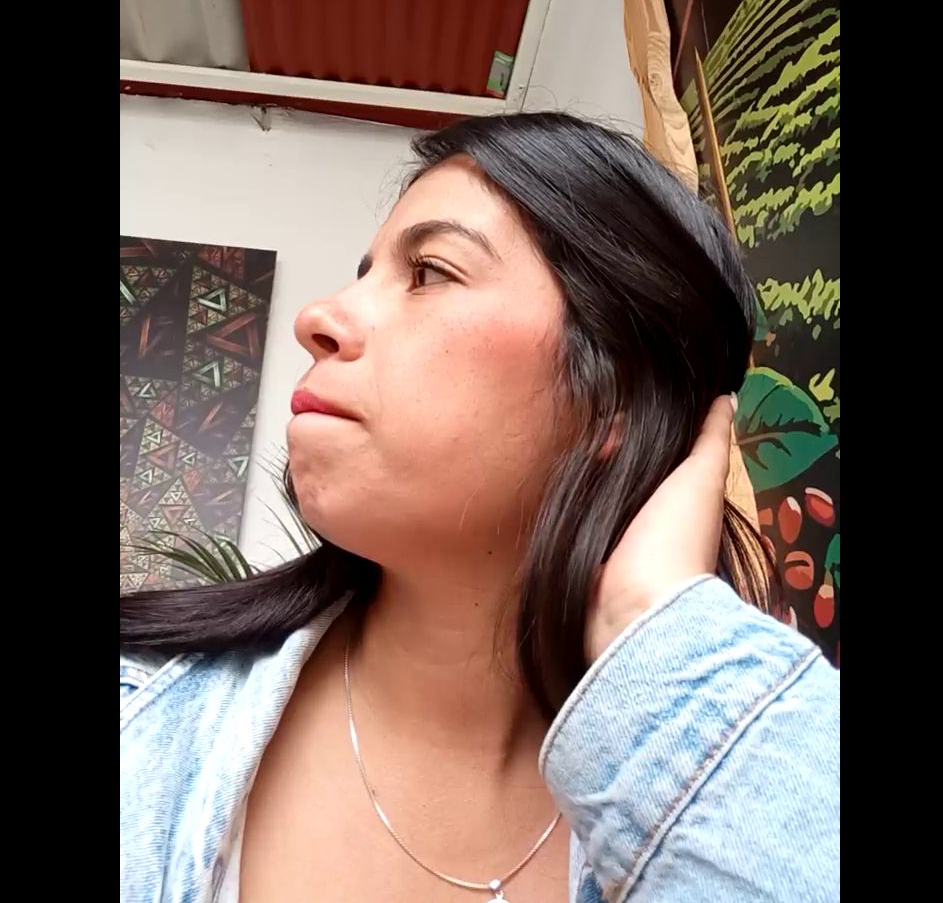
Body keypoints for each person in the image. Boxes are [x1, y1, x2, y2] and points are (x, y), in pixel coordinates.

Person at [120, 113, 840, 903]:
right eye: (364, 273)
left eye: (429, 272)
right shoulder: (140, 726)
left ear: (614, 400)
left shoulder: (721, 785)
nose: (317, 319)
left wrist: (652, 623)